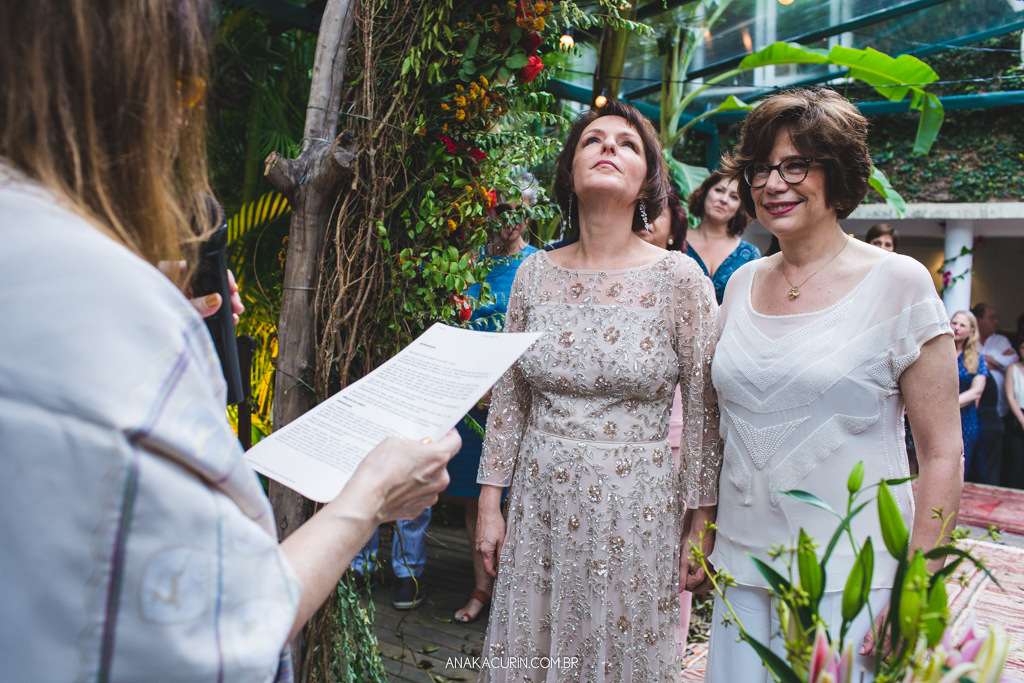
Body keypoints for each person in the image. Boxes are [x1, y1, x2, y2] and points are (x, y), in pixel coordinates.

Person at [0, 2, 459, 680]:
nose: (187, 118)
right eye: (187, 88)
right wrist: (368, 498)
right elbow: (219, 631)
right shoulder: (115, 319)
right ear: (139, 85)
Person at [689, 89, 962, 683]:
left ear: (837, 175)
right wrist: (701, 526)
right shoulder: (739, 284)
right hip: (740, 571)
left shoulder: (899, 282)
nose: (772, 183)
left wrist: (915, 587)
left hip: (850, 578)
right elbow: (716, 422)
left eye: (795, 165)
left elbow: (942, 453)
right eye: (760, 168)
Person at [474, 100, 722, 682]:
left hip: (634, 506)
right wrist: (490, 503)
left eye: (628, 144)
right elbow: (511, 400)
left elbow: (707, 414)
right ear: (570, 174)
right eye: (593, 140)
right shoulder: (534, 273)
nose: (609, 147)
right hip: (539, 499)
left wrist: (701, 521)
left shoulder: (680, 279)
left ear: (648, 183)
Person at [446, 200, 540, 624]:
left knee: (520, 498)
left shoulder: (537, 265)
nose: (509, 219)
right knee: (475, 498)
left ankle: (516, 596)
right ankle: (482, 587)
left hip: (519, 397)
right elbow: (453, 325)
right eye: (500, 208)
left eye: (518, 209)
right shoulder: (466, 263)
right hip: (471, 398)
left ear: (529, 214)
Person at [684, 170, 760, 303]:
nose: (724, 200)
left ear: (739, 208)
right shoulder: (675, 244)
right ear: (705, 193)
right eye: (719, 190)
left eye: (734, 197)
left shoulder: (750, 255)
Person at [972, 303, 1018, 484]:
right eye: (992, 318)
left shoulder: (1001, 340)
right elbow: (968, 363)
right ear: (978, 320)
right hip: (975, 410)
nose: (997, 322)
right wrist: (996, 360)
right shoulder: (970, 339)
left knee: (1000, 456)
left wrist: (982, 360)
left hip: (1000, 412)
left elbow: (1012, 359)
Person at [951, 310, 989, 481]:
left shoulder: (977, 358)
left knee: (958, 465)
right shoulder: (938, 352)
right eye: (954, 323)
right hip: (934, 414)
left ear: (971, 332)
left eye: (962, 325)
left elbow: (977, 390)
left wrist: (948, 406)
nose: (957, 328)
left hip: (964, 418)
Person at [1002, 340, 1024, 489]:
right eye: (1022, 347)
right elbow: (1010, 397)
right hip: (1017, 416)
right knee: (1017, 460)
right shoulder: (1012, 368)